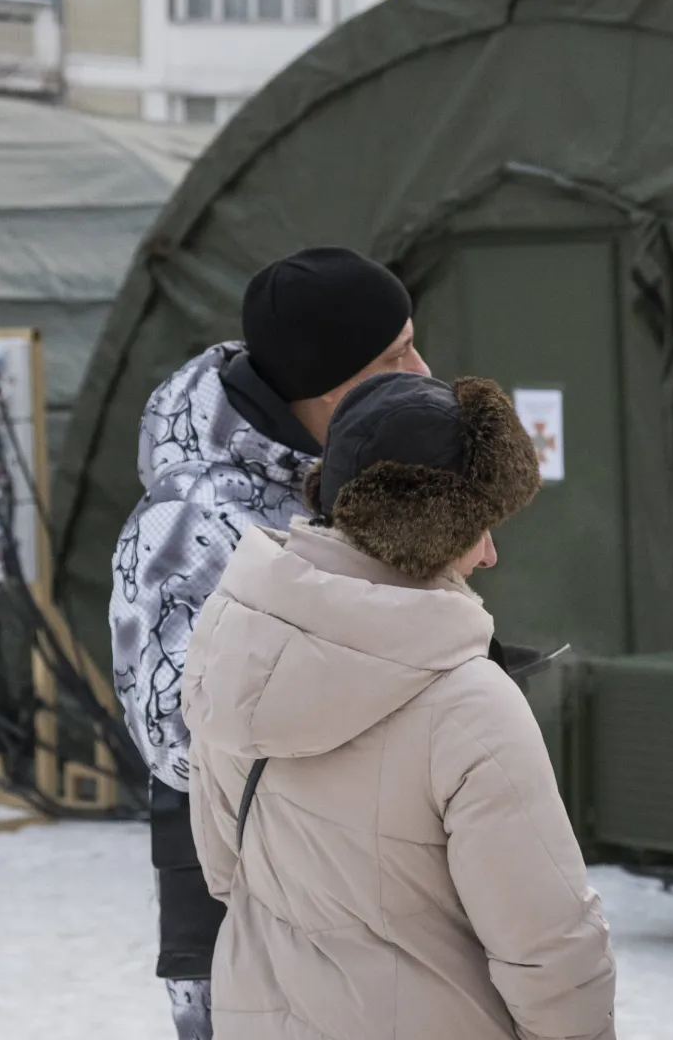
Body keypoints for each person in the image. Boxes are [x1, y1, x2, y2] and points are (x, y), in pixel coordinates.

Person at [181, 372, 616, 1040]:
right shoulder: (468, 701)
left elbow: (223, 871)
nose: (491, 554)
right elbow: (550, 945)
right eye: (478, 528)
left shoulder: (230, 642)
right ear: (426, 530)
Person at [109, 247, 431, 1039]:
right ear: (328, 382)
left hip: (355, 885)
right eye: (396, 354)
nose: (424, 371)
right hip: (238, 908)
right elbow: (177, 739)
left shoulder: (345, 474)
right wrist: (379, 673)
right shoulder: (188, 520)